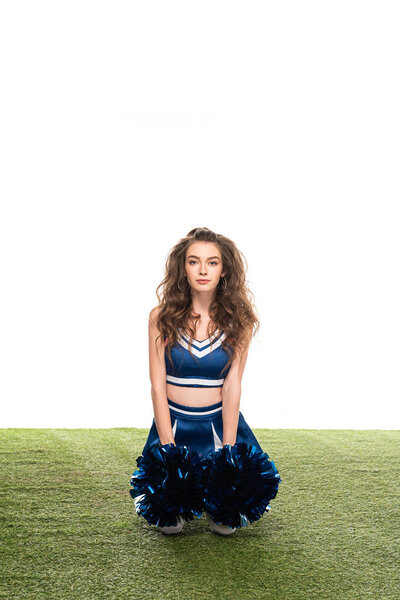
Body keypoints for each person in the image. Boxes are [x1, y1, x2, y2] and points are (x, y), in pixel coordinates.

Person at [131, 226, 280, 535]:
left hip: (216, 425)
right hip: (174, 425)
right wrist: (168, 451)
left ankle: (216, 484)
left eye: (212, 262)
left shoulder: (241, 320)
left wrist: (228, 452)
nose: (202, 270)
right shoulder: (160, 316)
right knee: (169, 525)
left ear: (224, 270)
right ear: (182, 268)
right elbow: (157, 385)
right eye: (193, 261)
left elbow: (232, 385)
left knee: (226, 525)